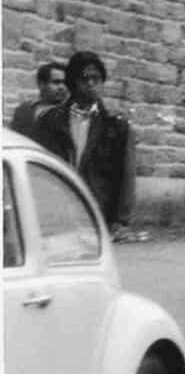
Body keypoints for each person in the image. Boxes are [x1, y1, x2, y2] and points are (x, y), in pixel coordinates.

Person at [33, 50, 137, 236]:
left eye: (95, 78)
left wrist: (121, 220)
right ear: (73, 82)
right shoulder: (51, 121)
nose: (90, 84)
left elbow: (126, 174)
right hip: (56, 212)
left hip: (95, 213)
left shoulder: (115, 125)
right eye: (84, 78)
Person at [9, 61, 67, 136]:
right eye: (56, 82)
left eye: (65, 83)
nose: (62, 87)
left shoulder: (71, 114)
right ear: (42, 84)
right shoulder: (23, 111)